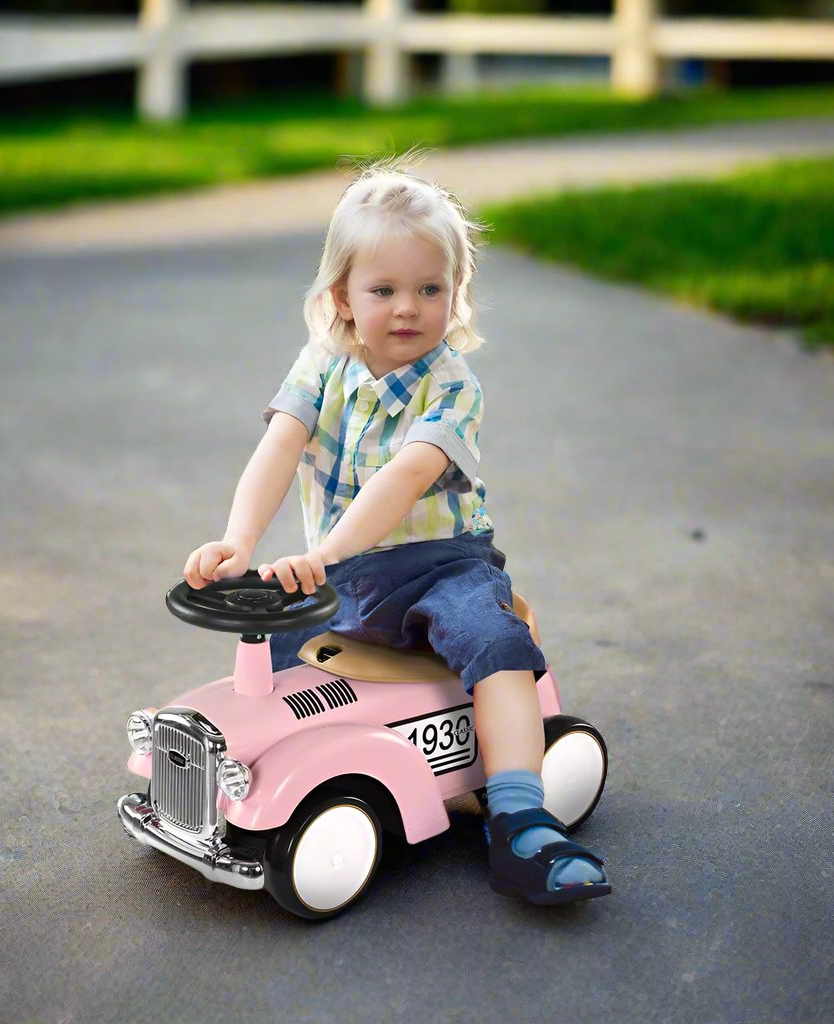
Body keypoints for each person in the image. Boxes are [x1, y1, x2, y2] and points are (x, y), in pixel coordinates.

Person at [183, 150, 610, 906]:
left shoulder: (454, 387)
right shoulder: (322, 365)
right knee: (271, 677)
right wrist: (239, 541)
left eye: (429, 288)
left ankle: (518, 815)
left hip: (439, 562)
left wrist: (326, 550)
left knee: (491, 637)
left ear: (457, 294)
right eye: (384, 289)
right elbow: (279, 445)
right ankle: (238, 790)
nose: (407, 308)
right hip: (341, 573)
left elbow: (405, 476)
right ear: (341, 295)